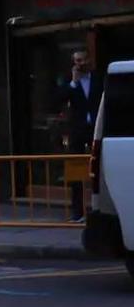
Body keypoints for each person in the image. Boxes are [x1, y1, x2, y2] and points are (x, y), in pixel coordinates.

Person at [60, 49, 104, 220]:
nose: (80, 64)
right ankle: (77, 211)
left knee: (99, 167)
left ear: (89, 60)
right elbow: (58, 99)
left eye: (83, 60)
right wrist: (73, 83)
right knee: (76, 170)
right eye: (77, 61)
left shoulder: (98, 78)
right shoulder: (69, 81)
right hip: (77, 130)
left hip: (96, 128)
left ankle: (99, 208)